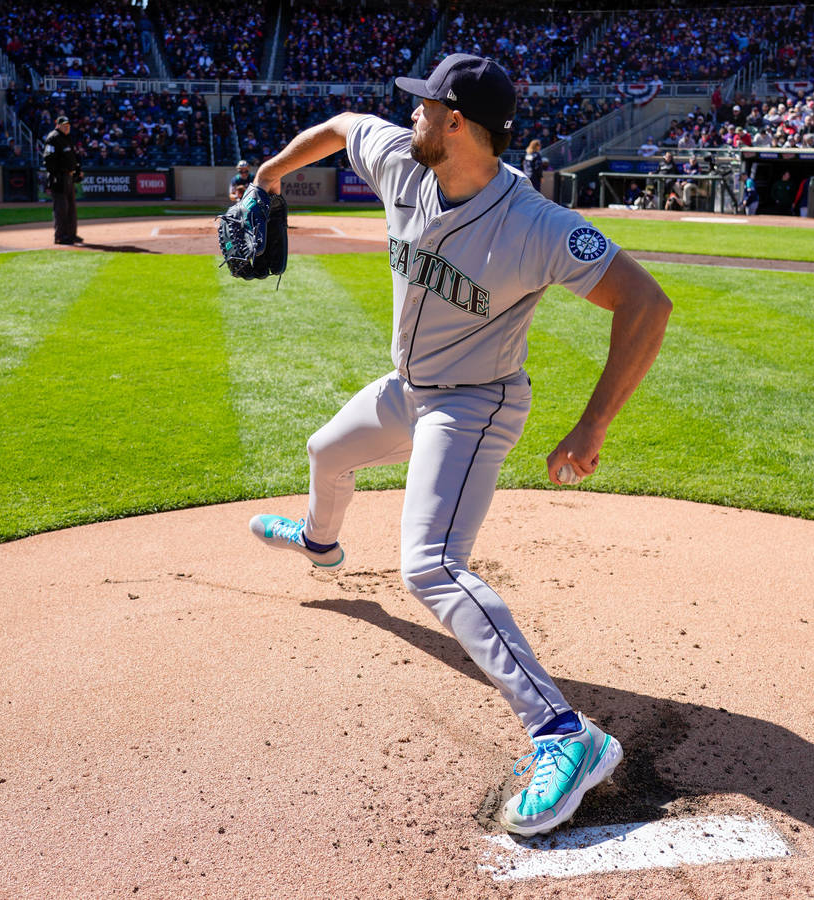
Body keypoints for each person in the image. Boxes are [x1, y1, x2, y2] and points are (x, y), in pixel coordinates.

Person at [246, 54, 672, 837]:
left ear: (455, 123)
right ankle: (320, 540)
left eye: (422, 108)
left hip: (474, 404)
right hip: (407, 389)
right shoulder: (407, 166)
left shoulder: (536, 225)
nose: (406, 117)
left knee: (431, 565)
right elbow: (342, 129)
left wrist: (593, 424)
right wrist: (271, 174)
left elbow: (646, 302)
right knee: (325, 450)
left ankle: (565, 736)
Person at [42, 115, 83, 245]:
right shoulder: (53, 138)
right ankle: (60, 236)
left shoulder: (67, 138)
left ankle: (71, 234)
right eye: (64, 125)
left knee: (71, 208)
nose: (67, 127)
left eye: (68, 125)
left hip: (69, 177)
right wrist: (56, 175)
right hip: (59, 178)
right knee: (61, 208)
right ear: (58, 125)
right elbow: (48, 160)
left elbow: (73, 157)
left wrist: (77, 171)